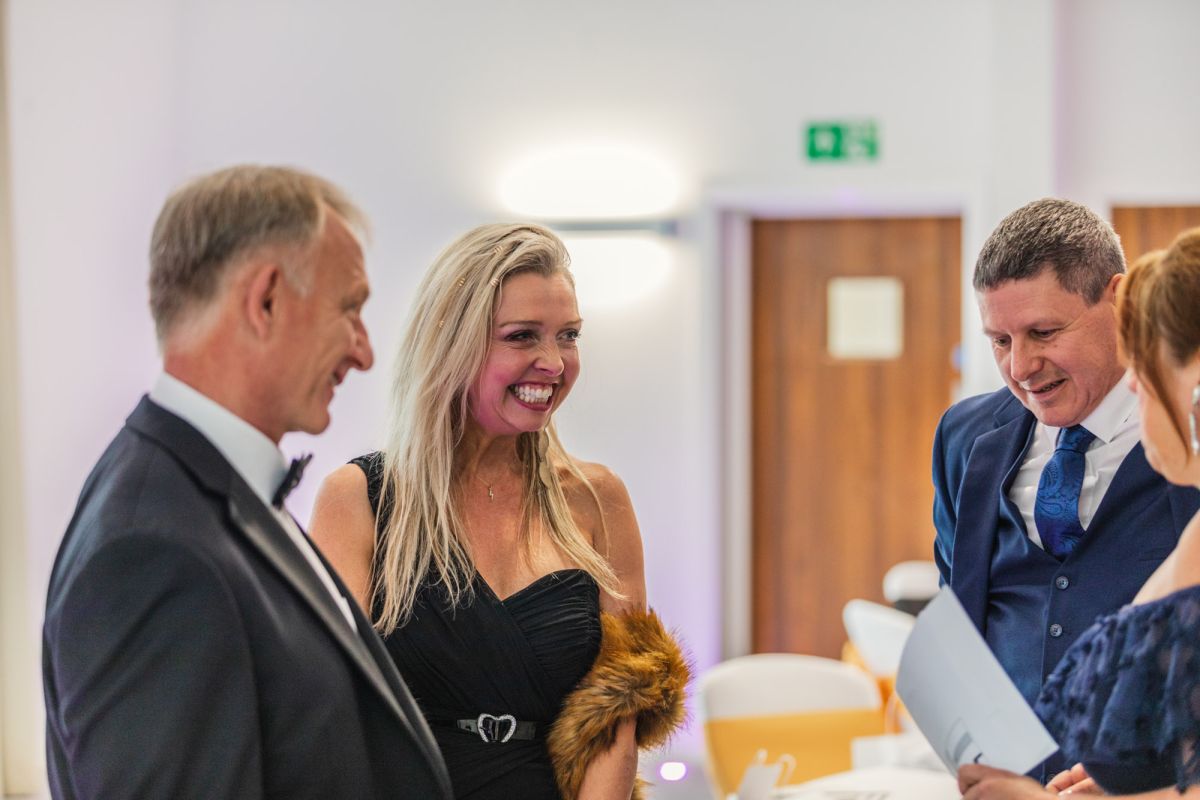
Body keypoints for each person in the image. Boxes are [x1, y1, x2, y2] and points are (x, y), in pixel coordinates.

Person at [42, 165, 453, 799]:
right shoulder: (152, 550)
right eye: (349, 308)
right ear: (266, 301)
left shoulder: (207, 493)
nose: (364, 351)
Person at [310, 223, 688, 800]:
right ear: (450, 342)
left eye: (569, 336)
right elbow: (336, 711)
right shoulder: (359, 498)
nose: (554, 363)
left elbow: (619, 720)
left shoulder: (597, 498)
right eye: (521, 336)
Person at [932, 198, 1200, 778]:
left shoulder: (1183, 442)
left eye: (1044, 332)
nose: (1021, 367)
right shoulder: (964, 438)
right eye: (1000, 341)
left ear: (1119, 300)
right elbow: (957, 616)